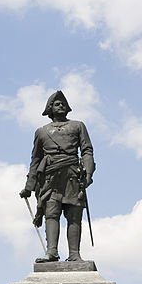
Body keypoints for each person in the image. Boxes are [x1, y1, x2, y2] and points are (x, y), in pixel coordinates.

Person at [19, 90, 95, 262]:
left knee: (74, 215)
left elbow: (87, 151)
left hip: (72, 176)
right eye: (56, 104)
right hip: (50, 179)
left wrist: (88, 173)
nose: (60, 105)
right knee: (51, 214)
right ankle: (51, 251)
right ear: (50, 109)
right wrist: (29, 187)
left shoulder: (78, 126)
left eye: (63, 103)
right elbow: (35, 159)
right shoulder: (41, 132)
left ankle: (74, 254)